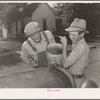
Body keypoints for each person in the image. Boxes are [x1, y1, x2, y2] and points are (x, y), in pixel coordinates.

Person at [60, 18, 90, 88]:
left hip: (77, 81)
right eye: (70, 34)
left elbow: (66, 64)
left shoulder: (80, 46)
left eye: (74, 35)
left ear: (82, 34)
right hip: (75, 78)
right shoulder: (78, 44)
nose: (71, 37)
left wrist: (64, 45)